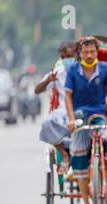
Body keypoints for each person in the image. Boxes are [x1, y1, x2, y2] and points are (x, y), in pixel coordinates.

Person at [65, 36, 107, 204]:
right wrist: (70, 119)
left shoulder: (104, 69)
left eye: (92, 52)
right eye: (85, 52)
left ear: (97, 52)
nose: (89, 55)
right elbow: (67, 96)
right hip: (80, 118)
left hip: (100, 117)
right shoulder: (72, 71)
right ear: (80, 54)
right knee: (79, 162)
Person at [36, 41, 76, 174]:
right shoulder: (57, 73)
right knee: (47, 123)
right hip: (63, 113)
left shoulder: (84, 70)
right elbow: (37, 90)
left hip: (81, 110)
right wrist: (48, 80)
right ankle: (64, 154)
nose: (67, 59)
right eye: (64, 57)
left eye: (70, 56)